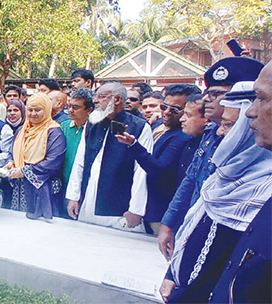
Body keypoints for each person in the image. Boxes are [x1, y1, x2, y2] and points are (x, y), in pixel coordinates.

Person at [159, 83, 272, 303]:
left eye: (229, 125)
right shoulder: (224, 178)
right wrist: (173, 273)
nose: (220, 132)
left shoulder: (262, 193)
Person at [157, 56, 264, 260]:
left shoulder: (258, 146)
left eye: (216, 93)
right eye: (208, 92)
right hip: (195, 225)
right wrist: (169, 224)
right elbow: (190, 180)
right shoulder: (210, 132)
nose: (206, 99)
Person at [65, 81, 153, 232]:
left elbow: (141, 171)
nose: (96, 100)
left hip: (119, 205)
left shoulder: (140, 127)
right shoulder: (92, 123)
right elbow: (80, 162)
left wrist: (136, 209)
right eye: (96, 96)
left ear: (117, 99)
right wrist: (73, 196)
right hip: (89, 198)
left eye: (102, 96)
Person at [116, 84, 199, 235]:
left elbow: (160, 170)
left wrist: (134, 145)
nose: (166, 112)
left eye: (175, 110)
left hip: (161, 214)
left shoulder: (183, 136)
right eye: (164, 106)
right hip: (151, 209)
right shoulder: (165, 130)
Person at [4, 93, 66, 219]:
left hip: (42, 189)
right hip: (19, 188)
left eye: (38, 110)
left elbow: (53, 162)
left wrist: (24, 171)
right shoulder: (22, 130)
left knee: (39, 231)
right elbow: (13, 151)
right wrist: (12, 162)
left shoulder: (54, 132)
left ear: (47, 110)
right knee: (16, 224)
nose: (33, 114)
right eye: (30, 110)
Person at [60, 88, 93, 187]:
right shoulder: (63, 127)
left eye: (76, 107)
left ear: (89, 110)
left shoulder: (95, 131)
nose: (70, 110)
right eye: (69, 106)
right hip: (63, 183)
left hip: (84, 184)